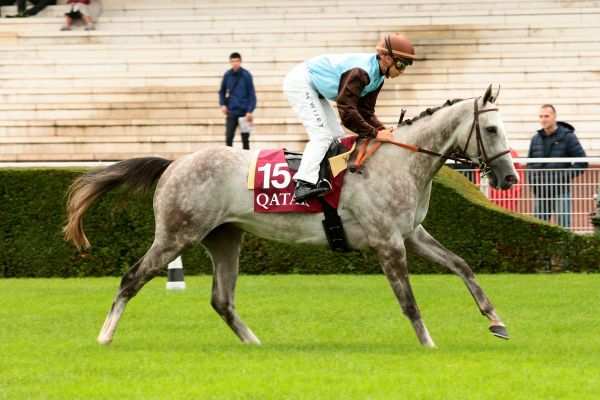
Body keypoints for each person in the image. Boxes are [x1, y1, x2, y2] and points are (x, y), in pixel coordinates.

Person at [283, 33, 418, 202]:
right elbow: (347, 113)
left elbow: (365, 112)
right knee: (322, 136)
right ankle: (303, 183)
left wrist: (383, 131)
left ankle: (322, 178)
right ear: (386, 58)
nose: (402, 71)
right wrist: (376, 133)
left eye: (405, 66)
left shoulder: (378, 78)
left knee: (337, 136)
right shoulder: (361, 72)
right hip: (302, 82)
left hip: (316, 87)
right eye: (401, 64)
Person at [527, 104, 587, 228]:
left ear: (554, 116)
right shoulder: (535, 139)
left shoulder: (568, 137)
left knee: (563, 228)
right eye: (541, 116)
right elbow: (530, 164)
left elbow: (582, 162)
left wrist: (562, 177)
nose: (543, 119)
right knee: (538, 228)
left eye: (546, 116)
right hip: (541, 191)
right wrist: (533, 182)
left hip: (560, 191)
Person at [218, 52, 256, 150]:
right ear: (230, 62)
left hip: (244, 113)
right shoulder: (227, 75)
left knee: (245, 139)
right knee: (228, 138)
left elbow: (252, 94)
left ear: (240, 61)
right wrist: (222, 104)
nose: (235, 63)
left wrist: (250, 110)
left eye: (237, 61)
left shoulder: (246, 75)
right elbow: (222, 91)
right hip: (231, 112)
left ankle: (246, 158)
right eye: (233, 61)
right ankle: (228, 158)